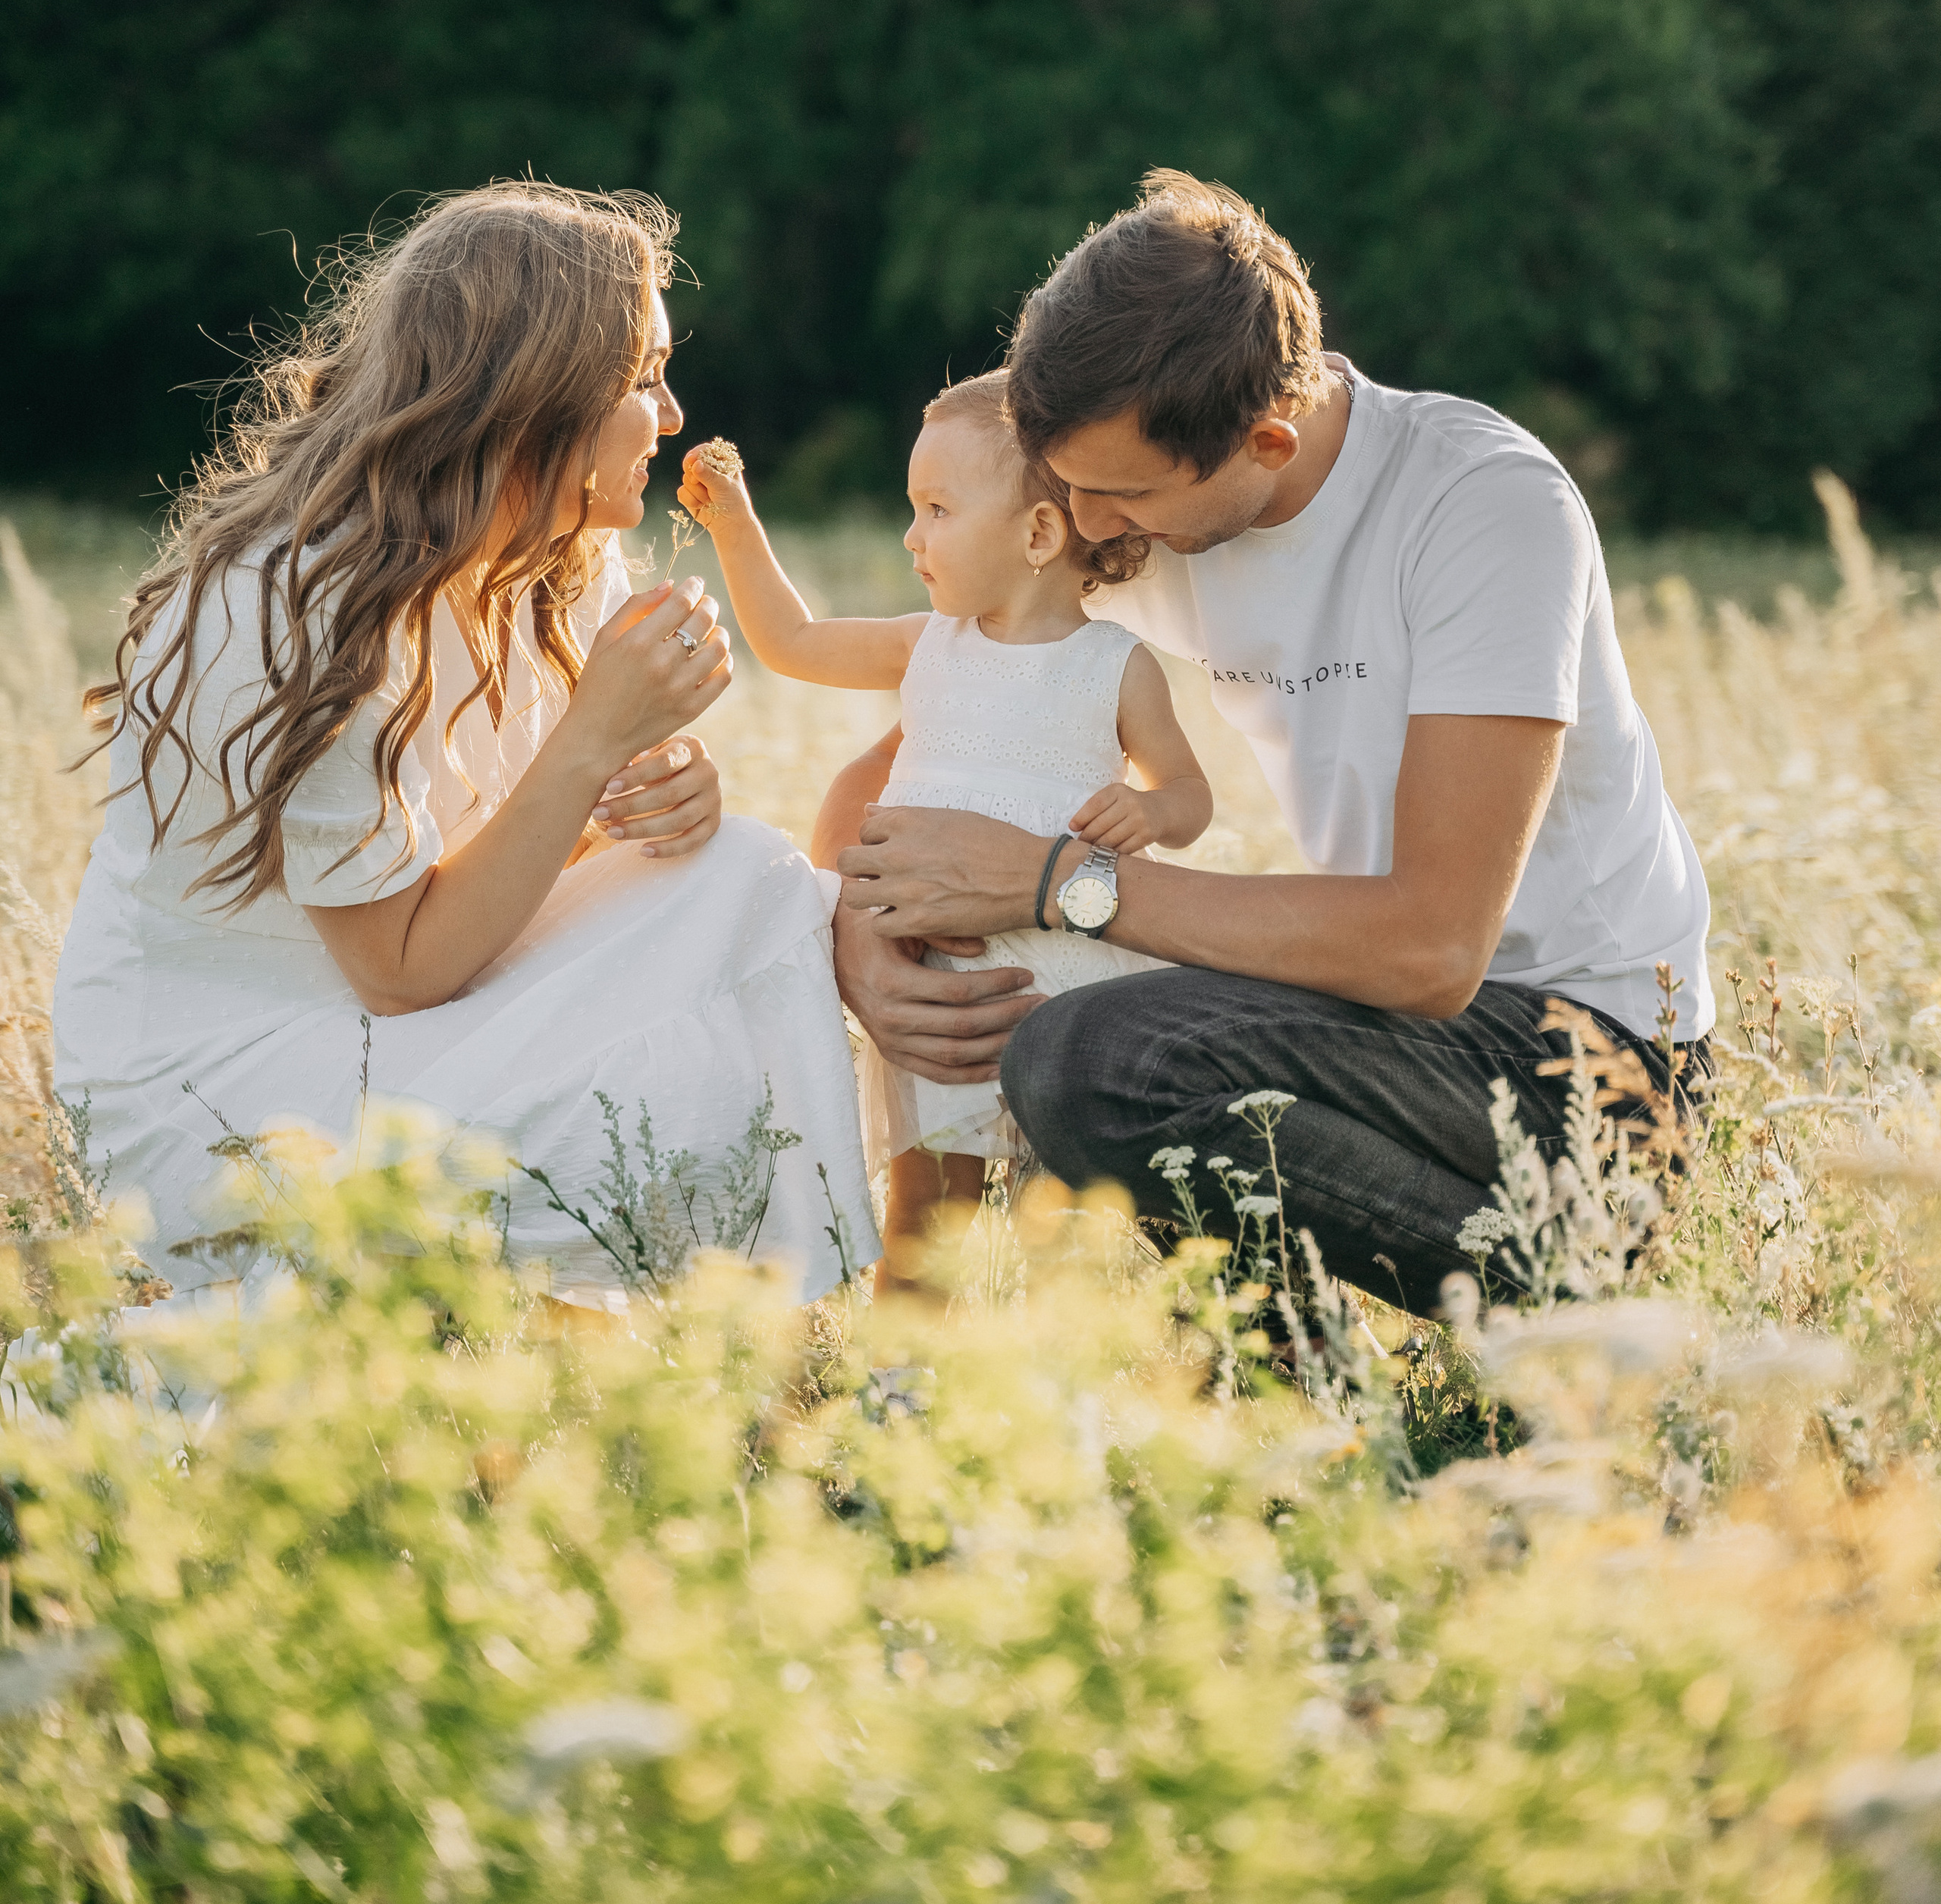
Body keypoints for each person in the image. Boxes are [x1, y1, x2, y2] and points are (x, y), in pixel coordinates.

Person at [821, 171, 1714, 1313]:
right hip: (1379, 1028)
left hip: (1586, 1068)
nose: (1092, 532)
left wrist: (1059, 885)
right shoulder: (1136, 513)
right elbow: (893, 774)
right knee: (1076, 1034)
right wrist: (866, 957)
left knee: (1090, 1056)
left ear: (1267, 439)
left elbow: (1435, 949)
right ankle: (1279, 1370)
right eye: (1074, 492)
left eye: (1123, 496)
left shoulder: (1482, 508)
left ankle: (1573, 1298)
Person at [52, 182, 879, 1302]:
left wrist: (657, 789)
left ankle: (809, 1327)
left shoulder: (559, 559)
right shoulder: (295, 604)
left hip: (419, 1016)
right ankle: (767, 1331)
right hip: (233, 1089)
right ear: (532, 398)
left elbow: (525, 842)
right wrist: (593, 747)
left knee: (752, 876)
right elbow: (402, 970)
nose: (675, 414)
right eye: (643, 380)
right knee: (703, 1039)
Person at [680, 374, 1212, 1288]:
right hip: (941, 991)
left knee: (1068, 1224)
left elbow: (1190, 795)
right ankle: (900, 1387)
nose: (911, 536)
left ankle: (1053, 1400)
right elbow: (792, 643)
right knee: (929, 1209)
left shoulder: (1116, 667)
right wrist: (734, 522)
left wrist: (1153, 810)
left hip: (1068, 982)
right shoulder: (928, 644)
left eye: (935, 510)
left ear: (1039, 536)